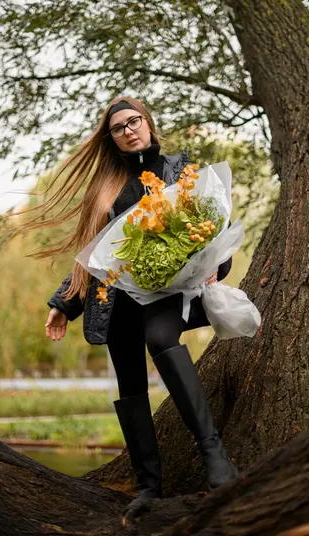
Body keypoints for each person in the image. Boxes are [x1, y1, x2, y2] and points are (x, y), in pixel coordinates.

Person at [42, 97, 239, 520]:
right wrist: (63, 303)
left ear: (148, 124)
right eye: (119, 127)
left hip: (167, 292)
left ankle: (214, 455)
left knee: (161, 337)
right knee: (130, 383)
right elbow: (92, 257)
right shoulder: (103, 190)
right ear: (111, 138)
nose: (129, 129)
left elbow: (214, 226)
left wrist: (216, 267)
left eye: (135, 121)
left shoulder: (181, 171)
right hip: (115, 301)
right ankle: (148, 485)